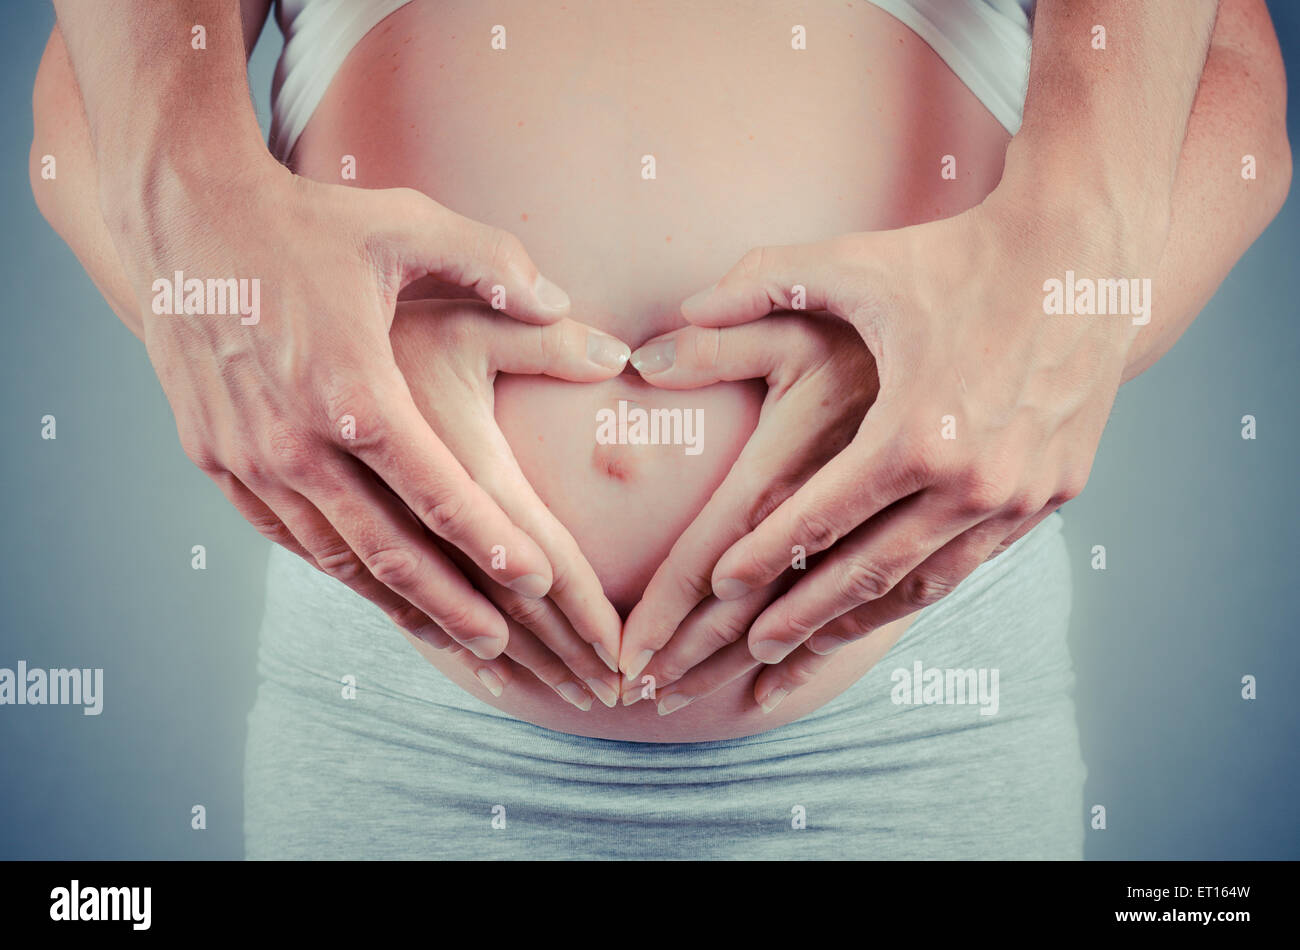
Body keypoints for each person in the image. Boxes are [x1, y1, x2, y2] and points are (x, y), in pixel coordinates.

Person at [33, 0, 1290, 857]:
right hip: (392, 717)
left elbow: (1228, 96)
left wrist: (1068, 305)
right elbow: (98, 114)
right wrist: (201, 267)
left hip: (916, 716)